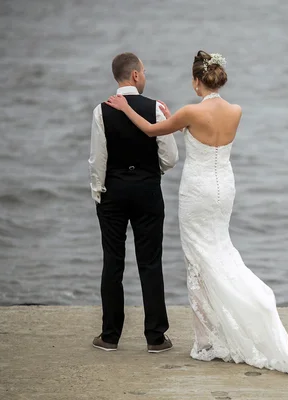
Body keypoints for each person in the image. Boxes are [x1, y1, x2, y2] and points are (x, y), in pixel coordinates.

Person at [105, 50, 288, 382]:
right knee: (220, 249)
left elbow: (152, 131)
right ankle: (234, 320)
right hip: (224, 188)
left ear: (198, 81)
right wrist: (175, 119)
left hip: (197, 192)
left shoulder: (188, 113)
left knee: (198, 259)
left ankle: (207, 342)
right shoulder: (236, 111)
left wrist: (127, 108)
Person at [89, 52, 179, 353]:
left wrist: (98, 191)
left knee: (112, 263)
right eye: (144, 71)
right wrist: (151, 173)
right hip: (147, 191)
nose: (145, 75)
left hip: (112, 193)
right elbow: (170, 157)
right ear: (136, 75)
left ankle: (110, 336)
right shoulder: (155, 108)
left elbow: (97, 159)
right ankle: (155, 338)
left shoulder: (101, 111)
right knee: (150, 263)